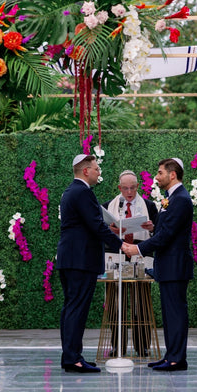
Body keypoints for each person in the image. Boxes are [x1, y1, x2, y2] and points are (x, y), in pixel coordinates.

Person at [122, 158, 193, 372]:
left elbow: (168, 236)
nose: (157, 176)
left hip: (175, 266)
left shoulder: (180, 199)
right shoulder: (171, 198)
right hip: (168, 266)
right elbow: (166, 230)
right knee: (170, 315)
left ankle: (177, 359)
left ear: (172, 175)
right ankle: (170, 356)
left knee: (175, 314)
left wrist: (138, 249)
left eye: (160, 172)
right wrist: (154, 226)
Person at [56, 154, 123, 373]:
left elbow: (86, 224)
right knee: (76, 309)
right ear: (85, 171)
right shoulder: (83, 193)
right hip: (80, 260)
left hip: (71, 258)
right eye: (96, 169)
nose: (99, 172)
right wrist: (120, 245)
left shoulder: (71, 191)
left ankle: (71, 356)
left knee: (71, 308)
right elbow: (96, 225)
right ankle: (73, 358)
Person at [102, 170, 158, 357]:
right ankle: (117, 346)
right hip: (116, 255)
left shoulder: (149, 206)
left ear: (138, 186)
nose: (129, 192)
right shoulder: (108, 206)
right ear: (119, 188)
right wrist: (109, 231)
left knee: (141, 301)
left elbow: (160, 235)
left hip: (140, 255)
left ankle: (142, 346)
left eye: (133, 188)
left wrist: (152, 228)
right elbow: (99, 234)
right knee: (116, 303)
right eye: (125, 188)